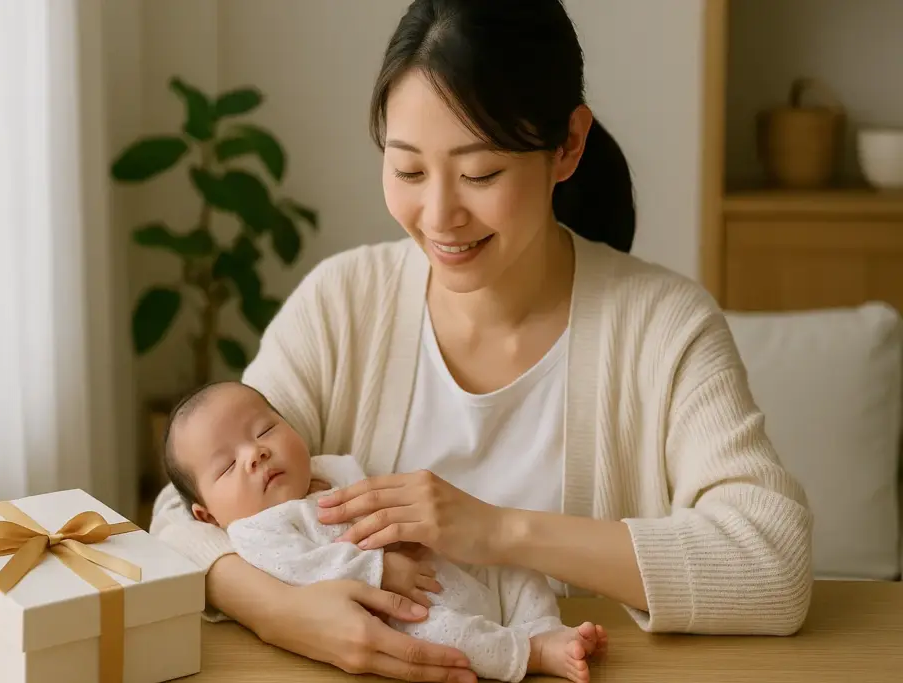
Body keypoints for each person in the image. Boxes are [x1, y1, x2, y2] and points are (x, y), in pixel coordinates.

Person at [150, 1, 814, 682]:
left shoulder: (664, 326)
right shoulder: (344, 303)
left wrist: (496, 530)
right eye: (408, 171)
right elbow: (183, 507)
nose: (439, 216)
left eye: (480, 174)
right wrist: (281, 612)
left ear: (567, 146)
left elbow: (773, 561)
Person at [162, 380, 608, 683]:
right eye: (226, 466)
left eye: (265, 429)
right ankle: (529, 654)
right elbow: (308, 568)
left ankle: (544, 628)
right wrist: (376, 569)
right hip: (402, 613)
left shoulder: (333, 470)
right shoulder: (258, 530)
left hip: (442, 569)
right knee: (446, 635)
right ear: (207, 517)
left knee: (513, 569)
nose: (255, 453)